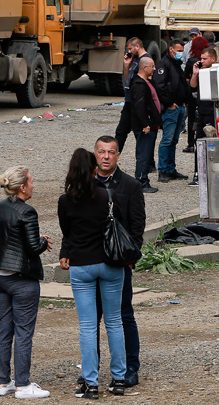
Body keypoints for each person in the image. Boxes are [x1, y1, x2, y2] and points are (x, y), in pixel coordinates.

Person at [58, 149, 128, 399]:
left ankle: (91, 383)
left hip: (81, 265)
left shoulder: (65, 201)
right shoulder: (108, 195)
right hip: (110, 263)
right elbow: (121, 222)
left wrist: (66, 252)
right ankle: (119, 379)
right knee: (114, 322)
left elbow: (67, 231)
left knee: (88, 326)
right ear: (94, 169)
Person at [0, 165, 52, 399]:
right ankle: (22, 384)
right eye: (31, 181)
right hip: (22, 280)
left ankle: (4, 383)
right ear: (22, 187)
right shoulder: (28, 212)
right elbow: (33, 247)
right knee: (23, 332)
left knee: (3, 329)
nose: (33, 185)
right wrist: (43, 241)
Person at [92, 136, 146, 389]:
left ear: (118, 155)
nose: (105, 157)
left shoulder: (130, 185)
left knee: (124, 315)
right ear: (95, 154)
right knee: (92, 319)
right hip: (90, 261)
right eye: (101, 152)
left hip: (119, 261)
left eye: (110, 152)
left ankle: (130, 367)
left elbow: (137, 226)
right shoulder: (84, 183)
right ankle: (91, 370)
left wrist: (131, 257)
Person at [116, 58, 161, 193]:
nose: (154, 69)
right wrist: (145, 124)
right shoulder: (139, 85)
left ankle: (143, 180)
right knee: (144, 153)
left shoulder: (146, 82)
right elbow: (139, 106)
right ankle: (141, 181)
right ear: (144, 68)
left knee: (147, 152)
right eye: (152, 66)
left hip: (150, 124)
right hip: (145, 126)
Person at [153, 39, 190, 184]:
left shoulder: (177, 64)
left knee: (174, 140)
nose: (181, 53)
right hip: (171, 108)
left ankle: (170, 169)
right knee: (167, 140)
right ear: (171, 49)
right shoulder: (164, 64)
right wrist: (168, 103)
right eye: (179, 50)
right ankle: (163, 170)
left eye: (182, 50)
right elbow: (159, 85)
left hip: (180, 107)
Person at [188, 47, 218, 186]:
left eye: (205, 58)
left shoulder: (217, 72)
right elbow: (193, 88)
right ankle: (198, 173)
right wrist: (195, 74)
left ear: (213, 59)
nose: (202, 61)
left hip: (213, 114)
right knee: (199, 143)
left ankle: (214, 172)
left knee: (214, 144)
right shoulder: (201, 72)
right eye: (201, 58)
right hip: (201, 112)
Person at [182, 31, 208, 154]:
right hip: (205, 92)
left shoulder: (191, 61)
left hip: (192, 91)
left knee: (191, 116)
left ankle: (191, 143)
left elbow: (186, 76)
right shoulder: (207, 62)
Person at [122, 37, 151, 103]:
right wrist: (126, 65)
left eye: (130, 49)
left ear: (137, 46)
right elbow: (128, 78)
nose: (129, 51)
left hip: (137, 98)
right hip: (130, 97)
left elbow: (149, 79)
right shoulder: (135, 58)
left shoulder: (145, 59)